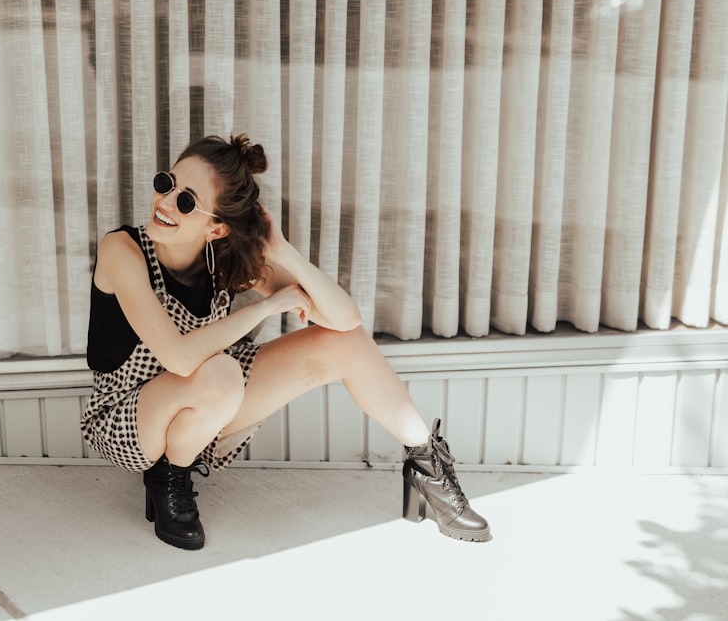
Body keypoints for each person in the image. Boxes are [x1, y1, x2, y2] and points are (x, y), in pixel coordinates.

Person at [82, 133, 490, 550]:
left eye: (187, 201)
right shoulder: (123, 249)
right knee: (219, 371)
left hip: (208, 402)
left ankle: (427, 465)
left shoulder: (219, 260)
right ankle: (169, 478)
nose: (165, 203)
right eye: (166, 184)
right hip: (126, 420)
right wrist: (264, 307)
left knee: (345, 343)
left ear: (217, 227)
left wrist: (283, 251)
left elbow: (345, 319)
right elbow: (180, 358)